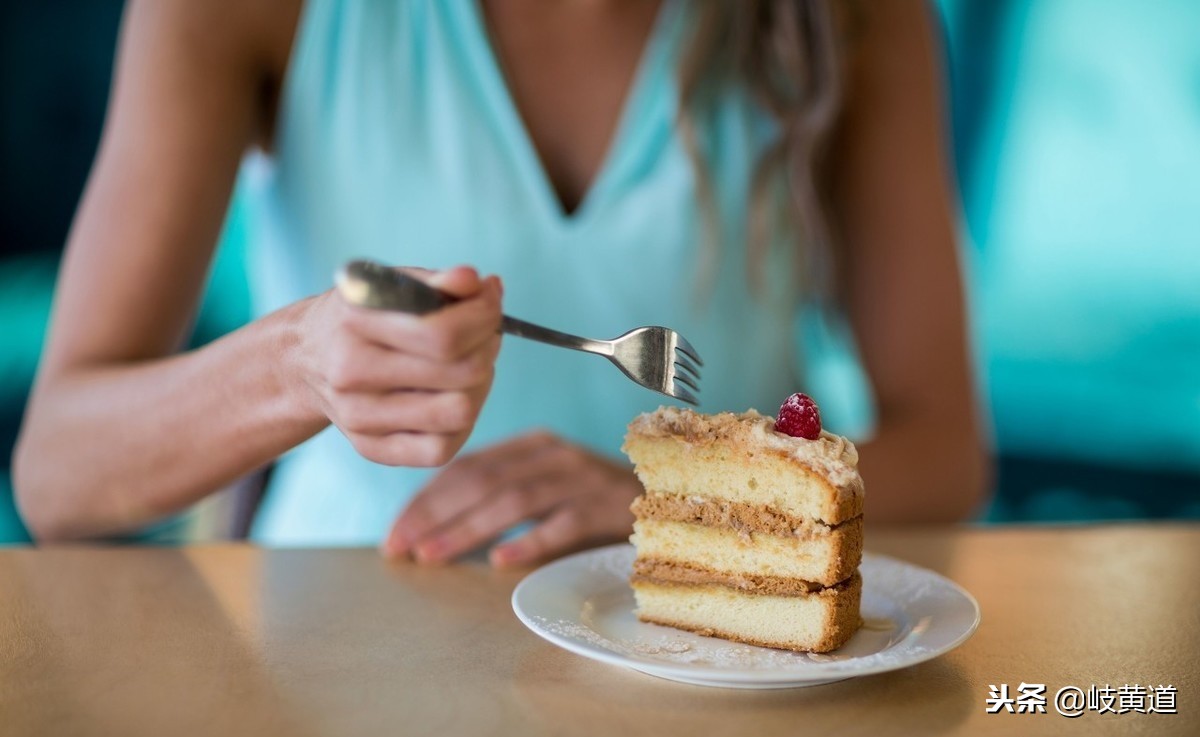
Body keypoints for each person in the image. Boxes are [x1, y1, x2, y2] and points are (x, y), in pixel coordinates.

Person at [12, 0, 987, 564]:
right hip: (344, 636)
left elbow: (946, 452)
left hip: (716, 649)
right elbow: (59, 474)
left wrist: (689, 497)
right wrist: (298, 364)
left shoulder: (863, 18)